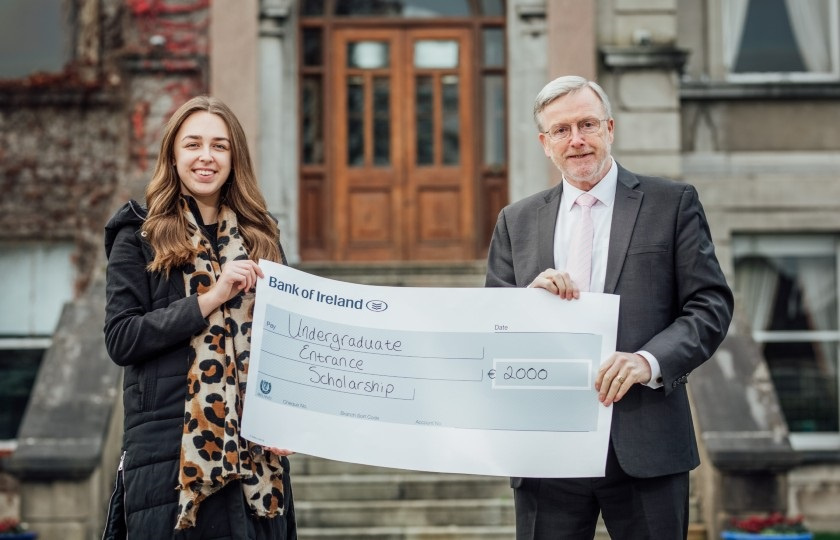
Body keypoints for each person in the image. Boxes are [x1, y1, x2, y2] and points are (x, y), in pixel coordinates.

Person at [485, 76, 733, 539]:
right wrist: (526, 305)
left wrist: (647, 361)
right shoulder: (515, 221)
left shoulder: (672, 203)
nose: (576, 140)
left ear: (610, 129)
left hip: (646, 443)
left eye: (587, 124)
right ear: (544, 143)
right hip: (547, 452)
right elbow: (491, 329)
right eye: (561, 130)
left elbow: (709, 305)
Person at [102, 96, 296, 539]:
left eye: (219, 146)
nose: (205, 157)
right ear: (173, 155)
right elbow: (122, 338)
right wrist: (212, 297)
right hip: (171, 462)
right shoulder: (139, 236)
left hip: (255, 465)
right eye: (193, 145)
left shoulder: (262, 237)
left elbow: (284, 348)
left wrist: (286, 419)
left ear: (234, 157)